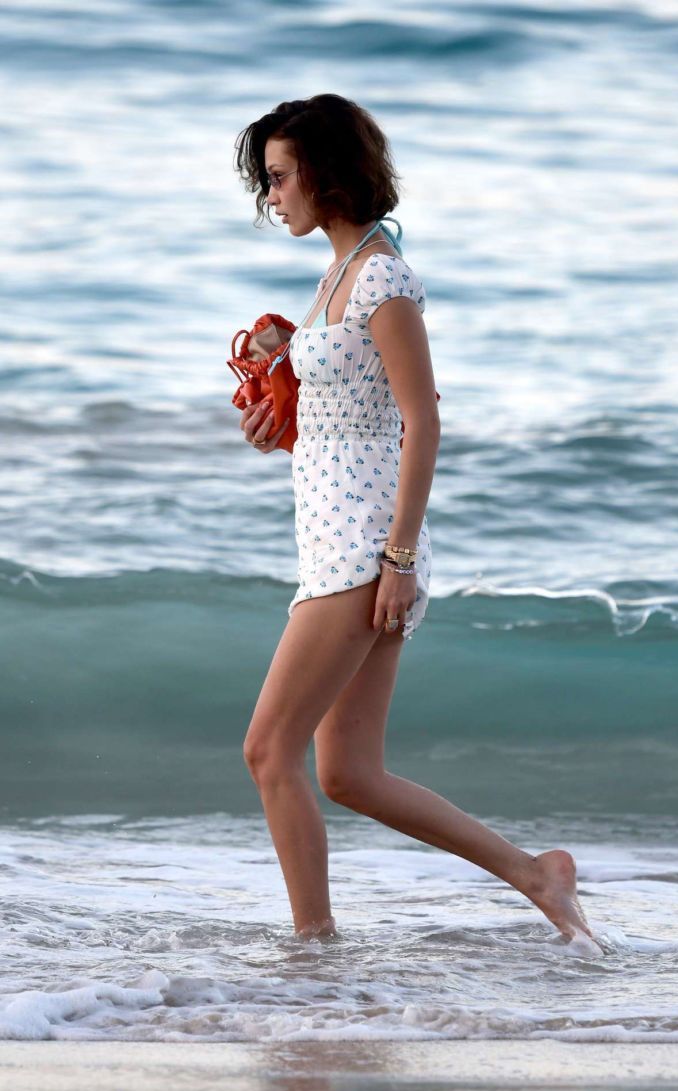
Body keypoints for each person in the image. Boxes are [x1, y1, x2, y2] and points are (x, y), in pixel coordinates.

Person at [233, 94, 601, 954]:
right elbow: (344, 415)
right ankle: (534, 873)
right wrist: (280, 399)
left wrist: (397, 556)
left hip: (366, 543)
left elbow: (421, 418)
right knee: (348, 773)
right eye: (265, 181)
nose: (270, 196)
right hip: (337, 537)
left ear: (324, 171)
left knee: (267, 750)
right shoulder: (339, 270)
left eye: (279, 177)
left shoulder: (384, 277)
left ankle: (314, 950)